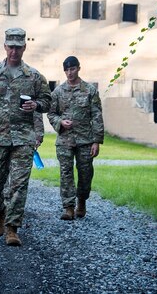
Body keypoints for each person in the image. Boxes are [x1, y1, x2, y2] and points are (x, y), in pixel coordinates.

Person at [0, 27, 51, 246]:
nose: (14, 51)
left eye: (18, 47)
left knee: (18, 185)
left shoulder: (34, 76)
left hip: (23, 138)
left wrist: (37, 104)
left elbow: (48, 101)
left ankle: (12, 228)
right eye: (11, 47)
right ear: (5, 47)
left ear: (24, 47)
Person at [47, 56, 104, 220]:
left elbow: (97, 115)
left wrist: (97, 141)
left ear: (79, 68)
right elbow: (51, 113)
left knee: (86, 173)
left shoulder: (90, 90)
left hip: (85, 140)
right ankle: (68, 207)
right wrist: (60, 122)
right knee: (66, 173)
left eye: (72, 69)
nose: (69, 73)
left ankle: (82, 201)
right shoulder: (58, 91)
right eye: (66, 70)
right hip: (65, 140)